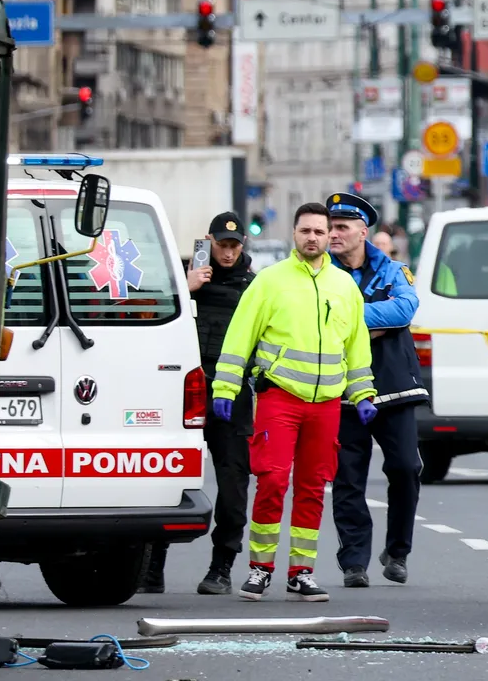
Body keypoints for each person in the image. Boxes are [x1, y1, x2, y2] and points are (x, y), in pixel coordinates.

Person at [213, 202, 377, 602]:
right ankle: (259, 568)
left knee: (312, 488)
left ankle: (301, 571)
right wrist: (225, 387)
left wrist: (363, 392)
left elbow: (356, 347)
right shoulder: (270, 281)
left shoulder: (344, 287)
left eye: (320, 232)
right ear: (295, 234)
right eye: (306, 231)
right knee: (270, 481)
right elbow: (240, 337)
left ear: (328, 237)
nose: (313, 238)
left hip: (326, 405)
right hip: (280, 397)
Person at [139, 213, 256, 595]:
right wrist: (183, 288)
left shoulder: (253, 288)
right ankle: (151, 568)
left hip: (230, 395)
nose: (227, 252)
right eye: (221, 244)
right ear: (208, 240)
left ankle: (221, 567)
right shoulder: (180, 279)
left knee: (234, 484)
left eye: (234, 246)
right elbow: (146, 319)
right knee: (165, 479)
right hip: (184, 390)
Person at [326, 193, 427, 587]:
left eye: (341, 228)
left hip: (394, 387)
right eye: (331, 227)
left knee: (405, 468)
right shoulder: (323, 273)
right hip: (344, 387)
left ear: (362, 232)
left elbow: (404, 310)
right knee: (348, 478)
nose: (334, 234)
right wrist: (369, 321)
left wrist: (347, 317)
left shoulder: (394, 270)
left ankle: (397, 551)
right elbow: (317, 313)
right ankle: (354, 561)